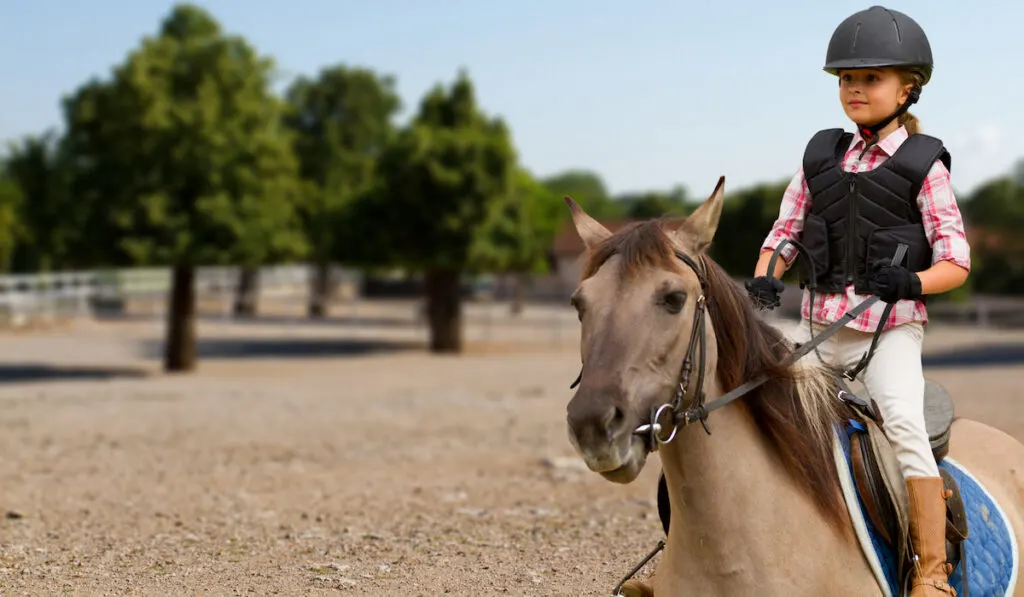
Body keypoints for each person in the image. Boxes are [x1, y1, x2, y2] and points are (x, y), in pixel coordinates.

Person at [745, 6, 971, 596]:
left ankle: (930, 570)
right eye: (847, 79)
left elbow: (956, 260)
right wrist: (768, 274)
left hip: (887, 332)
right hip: (818, 330)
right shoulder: (820, 156)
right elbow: (785, 232)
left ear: (907, 87)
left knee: (903, 425)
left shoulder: (925, 166)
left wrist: (914, 283)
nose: (856, 89)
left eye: (871, 78)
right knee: (745, 404)